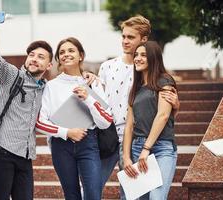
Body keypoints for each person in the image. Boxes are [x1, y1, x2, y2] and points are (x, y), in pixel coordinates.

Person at [84, 15, 180, 199]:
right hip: (109, 137)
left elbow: (160, 113)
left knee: (132, 195)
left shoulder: (150, 74)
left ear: (144, 40)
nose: (125, 41)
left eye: (131, 37)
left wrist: (176, 105)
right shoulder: (108, 67)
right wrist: (90, 80)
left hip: (139, 140)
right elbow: (100, 99)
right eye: (123, 36)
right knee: (92, 189)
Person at [0, 11, 53, 200]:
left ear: (49, 65)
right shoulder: (11, 76)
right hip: (1, 152)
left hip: (25, 156)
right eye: (32, 55)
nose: (34, 58)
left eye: (41, 57)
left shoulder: (46, 90)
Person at [35, 37, 113, 200]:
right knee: (71, 196)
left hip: (88, 144)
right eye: (62, 52)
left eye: (71, 50)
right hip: (61, 146)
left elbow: (105, 122)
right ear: (58, 59)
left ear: (81, 56)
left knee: (93, 194)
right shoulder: (51, 86)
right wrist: (67, 132)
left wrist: (88, 99)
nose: (66, 54)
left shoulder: (93, 83)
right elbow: (40, 122)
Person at [123, 41, 177, 199]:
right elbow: (129, 126)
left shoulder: (164, 81)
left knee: (156, 197)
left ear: (153, 58)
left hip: (162, 148)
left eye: (143, 55)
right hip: (137, 147)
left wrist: (146, 148)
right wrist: (126, 157)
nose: (138, 58)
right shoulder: (136, 88)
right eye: (136, 55)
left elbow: (163, 115)